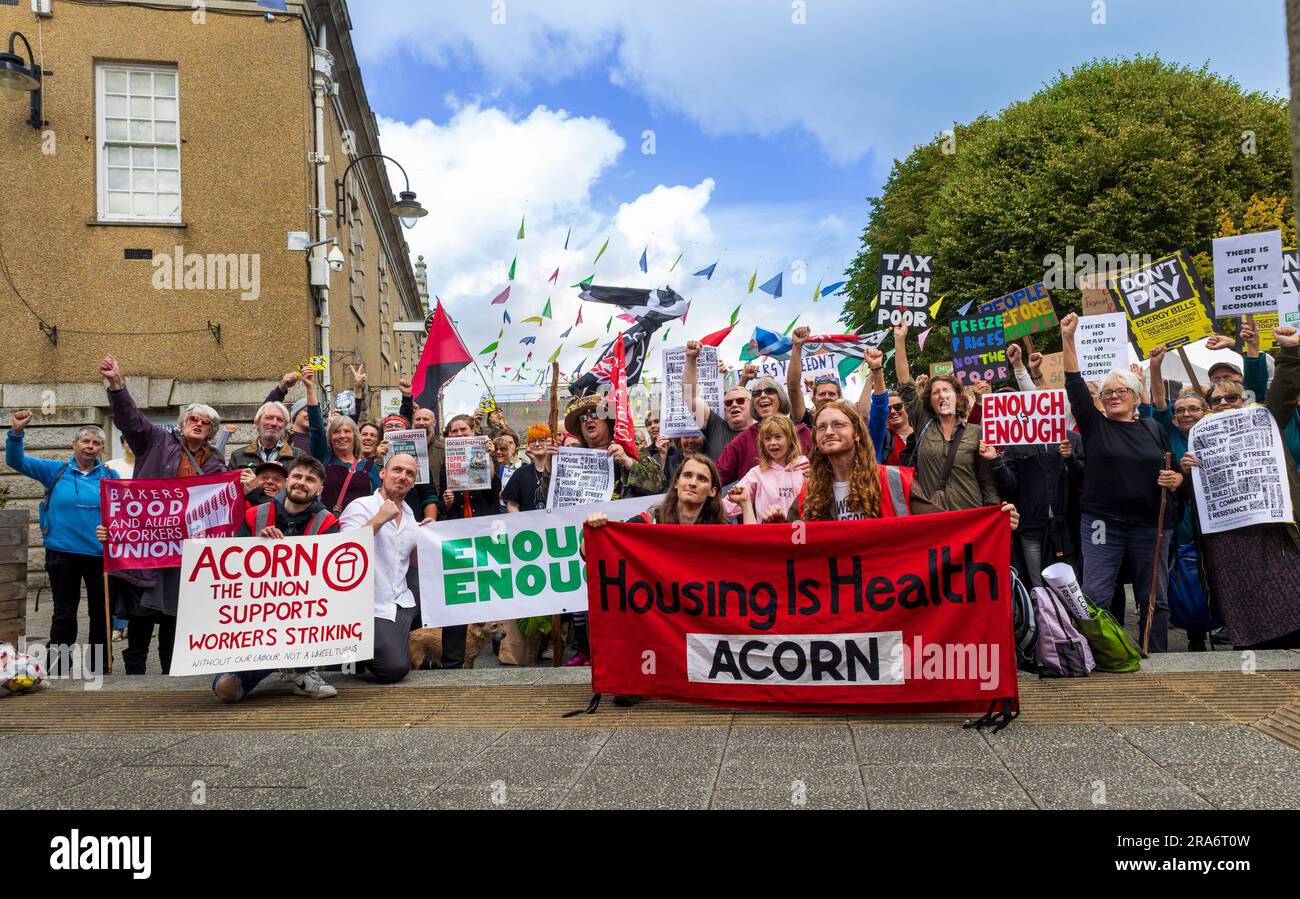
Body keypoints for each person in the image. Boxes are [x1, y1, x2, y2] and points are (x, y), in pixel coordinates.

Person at [1060, 313, 1182, 652]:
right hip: (1102, 523)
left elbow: (1173, 470)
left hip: (1150, 526)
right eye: (1107, 391)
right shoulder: (1095, 425)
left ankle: (1155, 655)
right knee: (1096, 594)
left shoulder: (1152, 429)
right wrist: (1068, 339)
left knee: (1153, 596)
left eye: (1121, 390)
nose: (1113, 395)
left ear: (1135, 395)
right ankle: (1101, 654)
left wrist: (1177, 479)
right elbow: (1073, 384)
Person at [99, 354, 226, 674]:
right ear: (183, 423)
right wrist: (117, 385)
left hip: (185, 551)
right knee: (143, 613)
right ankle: (136, 673)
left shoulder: (215, 463)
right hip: (149, 545)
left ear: (211, 431)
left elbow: (220, 503)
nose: (198, 424)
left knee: (175, 613)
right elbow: (130, 420)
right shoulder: (154, 440)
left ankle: (171, 673)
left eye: (204, 422)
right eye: (193, 419)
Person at [1180, 332, 1300, 649]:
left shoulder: (1263, 419)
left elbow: (1284, 392)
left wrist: (1289, 352)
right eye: (1215, 401)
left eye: (1229, 398)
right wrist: (1187, 470)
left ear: (1243, 399)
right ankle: (1249, 645)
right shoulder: (1201, 435)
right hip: (1226, 533)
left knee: (1283, 583)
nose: (1222, 404)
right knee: (1239, 589)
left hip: (1269, 528)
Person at [211, 456, 340, 701]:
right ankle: (280, 664)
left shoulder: (329, 523)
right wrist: (258, 548)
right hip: (257, 620)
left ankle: (301, 670)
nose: (302, 483)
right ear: (287, 481)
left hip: (305, 619)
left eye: (310, 480)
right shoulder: (253, 516)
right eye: (298, 476)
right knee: (226, 690)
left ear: (320, 489)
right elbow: (230, 569)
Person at [6, 410, 117, 674]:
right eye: (85, 441)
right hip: (62, 553)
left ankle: (98, 667)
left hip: (99, 554)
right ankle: (58, 668)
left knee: (101, 614)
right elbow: (16, 460)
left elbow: (124, 513)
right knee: (64, 612)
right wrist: (16, 432)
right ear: (74, 444)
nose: (90, 447)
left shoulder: (111, 477)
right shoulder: (55, 471)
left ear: (101, 448)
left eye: (96, 443)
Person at [338, 453, 426, 683]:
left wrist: (427, 538)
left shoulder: (410, 516)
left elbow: (412, 562)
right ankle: (354, 649)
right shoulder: (361, 506)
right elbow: (346, 550)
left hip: (400, 598)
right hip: (367, 604)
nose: (403, 477)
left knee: (445, 600)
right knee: (394, 669)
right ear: (383, 473)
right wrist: (380, 518)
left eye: (410, 473)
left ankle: (386, 638)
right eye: (397, 470)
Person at [892, 324, 1000, 511]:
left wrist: (993, 513)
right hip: (934, 519)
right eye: (935, 392)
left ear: (957, 396)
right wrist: (899, 340)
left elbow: (987, 482)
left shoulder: (976, 432)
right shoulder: (923, 423)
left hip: (970, 516)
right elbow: (906, 386)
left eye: (946, 390)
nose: (942, 395)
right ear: (930, 400)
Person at [305, 369, 381, 515]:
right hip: (328, 530)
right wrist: (310, 388)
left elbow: (377, 504)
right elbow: (315, 428)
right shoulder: (324, 459)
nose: (342, 436)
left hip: (359, 532)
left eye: (347, 431)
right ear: (329, 437)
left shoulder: (370, 467)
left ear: (355, 436)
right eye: (336, 432)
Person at [714, 375, 813, 486]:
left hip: (803, 502)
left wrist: (814, 474)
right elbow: (715, 477)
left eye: (769, 391)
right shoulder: (743, 441)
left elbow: (826, 468)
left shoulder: (803, 434)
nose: (763, 396)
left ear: (780, 398)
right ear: (753, 404)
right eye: (756, 394)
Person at [562, 394, 663, 499]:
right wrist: (550, 469)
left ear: (608, 422)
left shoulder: (632, 450)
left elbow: (658, 486)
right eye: (583, 418)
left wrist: (628, 462)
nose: (588, 420)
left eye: (596, 415)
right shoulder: (573, 457)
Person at [721, 414, 806, 521]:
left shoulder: (804, 468)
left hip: (799, 534)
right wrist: (703, 502)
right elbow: (731, 503)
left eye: (778, 437)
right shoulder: (757, 473)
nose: (772, 443)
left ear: (790, 439)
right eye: (767, 439)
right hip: (767, 535)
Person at [682, 339, 754, 463]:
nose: (734, 405)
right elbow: (690, 396)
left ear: (753, 405)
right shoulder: (714, 427)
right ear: (724, 408)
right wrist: (691, 358)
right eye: (728, 403)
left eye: (741, 401)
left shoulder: (766, 431)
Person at [227, 401, 301, 470]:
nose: (274, 423)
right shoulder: (238, 456)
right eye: (269, 418)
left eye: (280, 420)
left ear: (285, 426)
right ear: (257, 422)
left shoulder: (298, 456)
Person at [504, 425, 557, 513]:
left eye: (542, 440)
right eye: (532, 441)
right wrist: (522, 523)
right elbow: (512, 505)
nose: (537, 444)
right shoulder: (520, 473)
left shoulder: (559, 471)